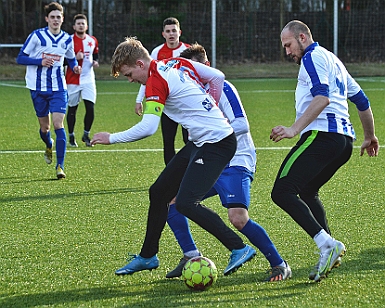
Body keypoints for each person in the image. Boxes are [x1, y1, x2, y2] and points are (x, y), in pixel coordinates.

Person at [91, 37, 256, 277]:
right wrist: (213, 103)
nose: (130, 80)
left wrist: (111, 138)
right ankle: (148, 256)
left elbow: (148, 127)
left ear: (139, 64)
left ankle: (239, 247)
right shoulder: (175, 62)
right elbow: (217, 76)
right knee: (159, 192)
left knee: (187, 203)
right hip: (201, 141)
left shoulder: (155, 81)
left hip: (217, 143)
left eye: (128, 74)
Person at [164, 43, 292, 282]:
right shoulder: (190, 93)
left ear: (207, 66)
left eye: (196, 68)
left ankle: (279, 263)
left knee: (238, 218)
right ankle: (190, 256)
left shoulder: (224, 88)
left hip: (236, 159)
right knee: (172, 201)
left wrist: (212, 134)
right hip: (211, 161)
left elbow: (242, 124)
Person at [270, 20, 379, 282]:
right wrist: (369, 136)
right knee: (306, 191)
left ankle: (327, 245)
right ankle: (329, 247)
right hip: (344, 143)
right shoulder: (334, 61)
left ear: (303, 37)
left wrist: (294, 129)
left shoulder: (312, 58)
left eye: (288, 45)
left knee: (282, 191)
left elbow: (322, 97)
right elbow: (362, 101)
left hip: (322, 136)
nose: (287, 52)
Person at [16, 2, 81, 179]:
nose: (55, 20)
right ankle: (48, 143)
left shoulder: (67, 39)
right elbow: (20, 58)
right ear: (47, 19)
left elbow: (71, 58)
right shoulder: (37, 36)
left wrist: (74, 67)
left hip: (59, 88)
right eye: (52, 17)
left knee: (59, 124)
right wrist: (40, 62)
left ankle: (60, 166)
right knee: (45, 128)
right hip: (37, 88)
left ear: (63, 19)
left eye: (58, 17)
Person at [135, 17, 190, 165]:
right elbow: (148, 77)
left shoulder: (188, 51)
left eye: (174, 30)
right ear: (163, 34)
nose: (171, 34)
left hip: (186, 105)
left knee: (189, 140)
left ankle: (191, 172)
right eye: (168, 31)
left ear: (180, 32)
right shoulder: (156, 52)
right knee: (168, 141)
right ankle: (170, 178)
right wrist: (139, 100)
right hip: (167, 105)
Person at [66, 13, 99, 147]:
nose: (81, 25)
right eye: (78, 23)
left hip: (88, 79)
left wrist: (96, 62)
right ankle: (71, 135)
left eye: (83, 23)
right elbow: (62, 60)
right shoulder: (68, 40)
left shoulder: (92, 40)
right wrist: (74, 56)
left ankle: (86, 134)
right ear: (74, 26)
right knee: (72, 109)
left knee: (90, 108)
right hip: (72, 80)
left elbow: (95, 54)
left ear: (86, 26)